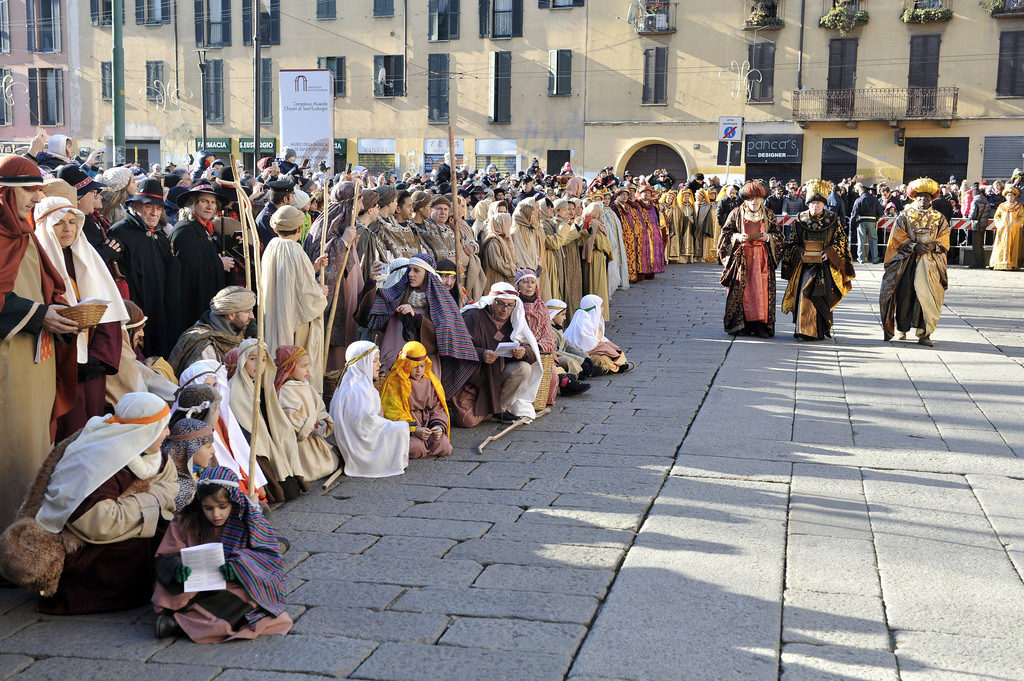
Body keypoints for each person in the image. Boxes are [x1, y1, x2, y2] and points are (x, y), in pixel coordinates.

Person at [0, 393, 177, 614]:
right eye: (163, 427)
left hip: (117, 523)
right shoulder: (96, 458)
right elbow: (96, 522)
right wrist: (152, 501)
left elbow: (171, 483)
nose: (168, 434)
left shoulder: (152, 455)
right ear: (144, 430)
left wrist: (143, 503)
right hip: (82, 545)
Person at [0, 156, 80, 531]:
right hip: (8, 364)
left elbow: (47, 289)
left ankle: (29, 533)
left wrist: (62, 317)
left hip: (39, 359)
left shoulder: (25, 234)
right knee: (11, 449)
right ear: (5, 193)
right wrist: (38, 315)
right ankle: (8, 538)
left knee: (34, 449)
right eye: (30, 191)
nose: (36, 198)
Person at [152, 466, 292, 642]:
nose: (216, 514)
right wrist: (177, 569)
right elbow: (166, 555)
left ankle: (176, 624)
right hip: (191, 585)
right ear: (200, 504)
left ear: (233, 502)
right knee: (163, 590)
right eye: (208, 508)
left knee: (254, 600)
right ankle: (188, 621)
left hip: (231, 584)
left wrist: (239, 566)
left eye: (222, 507)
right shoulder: (185, 521)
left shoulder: (249, 520)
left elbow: (267, 557)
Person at [34, 196, 129, 437]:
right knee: (68, 431)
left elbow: (109, 314)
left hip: (92, 362)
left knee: (93, 428)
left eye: (72, 221)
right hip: (57, 364)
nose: (67, 229)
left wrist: (99, 357)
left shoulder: (89, 257)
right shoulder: (36, 262)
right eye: (59, 223)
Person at [366, 253, 479, 395]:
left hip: (424, 363)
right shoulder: (397, 294)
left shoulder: (441, 300)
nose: (410, 274)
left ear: (428, 274)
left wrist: (417, 318)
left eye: (416, 270)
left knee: (422, 396)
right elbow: (369, 316)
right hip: (394, 360)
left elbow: (445, 334)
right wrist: (371, 281)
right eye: (410, 270)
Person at [108, 177, 183, 356]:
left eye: (158, 208)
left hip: (160, 309)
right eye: (148, 206)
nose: (154, 213)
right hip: (136, 311)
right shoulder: (120, 232)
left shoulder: (159, 234)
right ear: (135, 207)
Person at [453, 282, 543, 427]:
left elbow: (532, 350)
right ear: (491, 301)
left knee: (523, 367)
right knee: (467, 421)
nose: (505, 309)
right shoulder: (473, 316)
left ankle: (499, 409)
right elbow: (457, 347)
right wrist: (481, 353)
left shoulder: (516, 318)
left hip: (498, 375)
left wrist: (523, 352)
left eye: (509, 305)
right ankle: (487, 407)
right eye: (501, 304)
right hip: (475, 379)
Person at [260, 205, 329, 392]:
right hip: (293, 320)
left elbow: (290, 280)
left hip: (274, 314)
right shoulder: (296, 251)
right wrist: (321, 292)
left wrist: (313, 268)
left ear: (275, 229)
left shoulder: (271, 246)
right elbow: (307, 296)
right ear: (299, 229)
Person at [176, 359, 267, 498]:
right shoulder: (187, 425)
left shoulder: (222, 413)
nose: (212, 390)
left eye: (214, 385)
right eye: (207, 385)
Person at [229, 339, 304, 502]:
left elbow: (276, 419)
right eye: (252, 359)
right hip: (252, 447)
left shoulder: (264, 386)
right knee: (282, 491)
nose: (259, 364)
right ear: (242, 360)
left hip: (271, 440)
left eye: (263, 359)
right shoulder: (234, 391)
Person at [781, 180, 856, 341]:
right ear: (808, 204)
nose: (816, 206)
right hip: (805, 267)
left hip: (825, 266)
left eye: (819, 203)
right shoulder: (800, 219)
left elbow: (840, 241)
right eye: (813, 203)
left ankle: (820, 330)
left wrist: (828, 253)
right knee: (803, 294)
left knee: (823, 296)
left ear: (824, 204)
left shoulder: (832, 218)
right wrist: (800, 253)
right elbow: (791, 242)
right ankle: (803, 330)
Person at [879, 178, 950, 347]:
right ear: (913, 197)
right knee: (905, 295)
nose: (922, 199)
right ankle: (902, 329)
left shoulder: (939, 217)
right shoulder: (905, 215)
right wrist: (914, 246)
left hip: (930, 262)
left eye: (926, 196)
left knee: (927, 297)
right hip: (907, 261)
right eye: (919, 196)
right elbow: (896, 236)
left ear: (931, 198)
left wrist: (934, 245)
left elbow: (945, 236)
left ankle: (924, 334)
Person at [329, 341, 410, 477]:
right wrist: (390, 425)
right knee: (401, 429)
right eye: (374, 361)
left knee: (400, 428)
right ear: (363, 362)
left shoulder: (362, 383)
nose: (379, 365)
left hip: (364, 433)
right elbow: (364, 423)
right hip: (359, 442)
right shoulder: (357, 389)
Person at [303, 181, 362, 370]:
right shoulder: (325, 224)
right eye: (359, 202)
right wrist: (342, 242)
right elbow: (322, 263)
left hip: (348, 288)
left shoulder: (345, 223)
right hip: (337, 291)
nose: (361, 207)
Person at [718, 181, 784, 338]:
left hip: (762, 259)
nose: (755, 201)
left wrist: (768, 237)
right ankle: (741, 325)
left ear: (763, 199)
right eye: (751, 198)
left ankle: (761, 325)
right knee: (743, 291)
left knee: (761, 292)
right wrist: (737, 237)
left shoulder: (768, 214)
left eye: (758, 198)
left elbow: (779, 236)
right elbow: (725, 235)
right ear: (745, 199)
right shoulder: (736, 213)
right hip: (742, 259)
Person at [170, 184, 234, 328]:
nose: (209, 206)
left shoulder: (205, 228)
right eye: (204, 201)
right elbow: (188, 269)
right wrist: (219, 264)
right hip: (192, 303)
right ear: (193, 204)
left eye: (212, 203)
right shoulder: (185, 230)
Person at [274, 345, 339, 482]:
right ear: (289, 368)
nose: (308, 370)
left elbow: (319, 408)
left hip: (315, 438)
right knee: (318, 468)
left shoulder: (306, 386)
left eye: (308, 365)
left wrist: (322, 420)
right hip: (301, 444)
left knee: (329, 462)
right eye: (303, 366)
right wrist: (312, 427)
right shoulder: (285, 392)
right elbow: (291, 419)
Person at [380, 340, 454, 459]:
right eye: (414, 367)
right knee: (415, 448)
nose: (419, 371)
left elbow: (437, 407)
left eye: (422, 366)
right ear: (406, 364)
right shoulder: (395, 382)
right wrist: (414, 429)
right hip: (407, 428)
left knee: (444, 445)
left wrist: (438, 426)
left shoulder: (429, 380)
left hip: (427, 424)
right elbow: (393, 412)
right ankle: (419, 447)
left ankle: (425, 446)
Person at [168, 286, 255, 376]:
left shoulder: (238, 336)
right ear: (231, 315)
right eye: (248, 311)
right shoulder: (205, 346)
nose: (252, 316)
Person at [106, 299, 179, 407]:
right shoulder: (120, 356)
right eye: (139, 329)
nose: (142, 334)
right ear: (126, 330)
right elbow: (138, 396)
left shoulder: (125, 353)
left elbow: (155, 382)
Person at [564, 294, 634, 374]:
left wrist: (613, 349)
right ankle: (619, 367)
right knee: (603, 359)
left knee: (617, 352)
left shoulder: (590, 319)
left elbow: (600, 338)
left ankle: (614, 367)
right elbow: (590, 346)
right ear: (595, 308)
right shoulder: (583, 323)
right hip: (583, 354)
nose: (603, 309)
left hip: (594, 350)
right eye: (601, 306)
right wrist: (608, 351)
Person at [161, 416, 216, 513]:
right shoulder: (176, 485)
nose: (213, 451)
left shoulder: (192, 473)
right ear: (190, 448)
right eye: (208, 447)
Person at [546, 298, 601, 379]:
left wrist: (583, 357)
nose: (564, 318)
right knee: (568, 360)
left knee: (583, 355)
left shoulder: (558, 328)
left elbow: (567, 346)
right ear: (553, 315)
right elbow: (554, 352)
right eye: (562, 315)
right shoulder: (549, 331)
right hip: (553, 358)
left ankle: (588, 369)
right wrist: (579, 360)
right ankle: (579, 374)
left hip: (561, 354)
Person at [580, 202, 614, 321]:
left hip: (593, 258)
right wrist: (610, 252)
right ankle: (599, 314)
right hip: (596, 258)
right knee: (598, 285)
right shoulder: (595, 224)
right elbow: (601, 243)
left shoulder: (587, 223)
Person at [988, 186, 1022, 271]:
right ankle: (997, 262)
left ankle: (1013, 264)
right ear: (1006, 197)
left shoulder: (1019, 206)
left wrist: (1016, 224)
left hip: (1014, 230)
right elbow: (997, 216)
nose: (1010, 197)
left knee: (1013, 245)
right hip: (1002, 230)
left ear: (1014, 196)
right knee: (1000, 245)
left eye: (1011, 195)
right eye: (1008, 195)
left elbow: (1021, 217)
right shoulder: (1002, 206)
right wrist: (1000, 224)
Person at [481, 212, 516, 289]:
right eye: (507, 223)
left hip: (505, 279)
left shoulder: (505, 239)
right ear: (501, 224)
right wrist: (513, 272)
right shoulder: (493, 242)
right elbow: (497, 264)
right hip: (496, 280)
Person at [850, 183, 883, 264]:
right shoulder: (875, 199)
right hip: (872, 221)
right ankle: (875, 258)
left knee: (861, 240)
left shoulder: (858, 200)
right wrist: (877, 218)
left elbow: (854, 214)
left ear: (861, 191)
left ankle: (861, 259)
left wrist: (852, 225)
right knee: (873, 240)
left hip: (861, 221)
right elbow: (881, 212)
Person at [967, 185, 992, 269]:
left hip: (976, 224)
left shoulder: (975, 201)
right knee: (981, 244)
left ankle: (977, 263)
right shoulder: (986, 200)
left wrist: (969, 217)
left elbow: (973, 214)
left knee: (976, 245)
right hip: (983, 224)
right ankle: (982, 263)